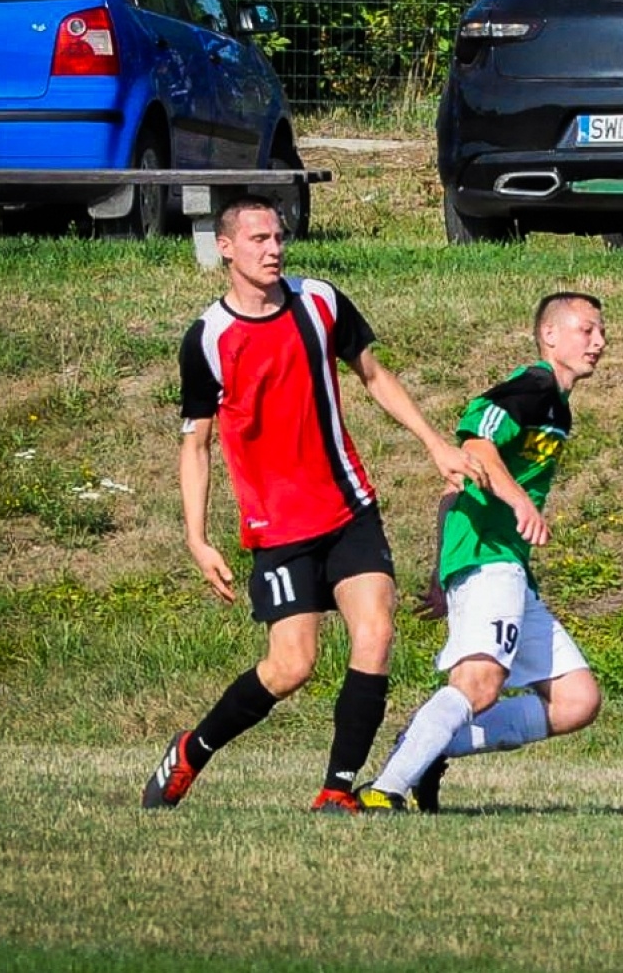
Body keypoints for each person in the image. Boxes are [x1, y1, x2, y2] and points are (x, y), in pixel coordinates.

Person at [141, 194, 484, 814]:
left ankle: (336, 789)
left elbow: (374, 375)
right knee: (291, 666)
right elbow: (197, 445)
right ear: (225, 247)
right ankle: (193, 750)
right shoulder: (209, 339)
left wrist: (434, 443)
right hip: (278, 529)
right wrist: (196, 537)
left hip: (348, 505)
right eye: (258, 240)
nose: (273, 250)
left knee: (375, 634)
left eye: (278, 237)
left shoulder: (320, 301)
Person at [355, 292, 608, 814]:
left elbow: (454, 487)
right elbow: (474, 448)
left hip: (500, 559)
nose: (599, 343)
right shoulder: (532, 386)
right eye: (587, 331)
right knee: (480, 683)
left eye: (602, 333)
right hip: (490, 555)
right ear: (550, 335)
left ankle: (428, 743)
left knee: (577, 700)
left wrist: (440, 569)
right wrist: (521, 505)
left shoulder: (556, 404)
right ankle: (385, 789)